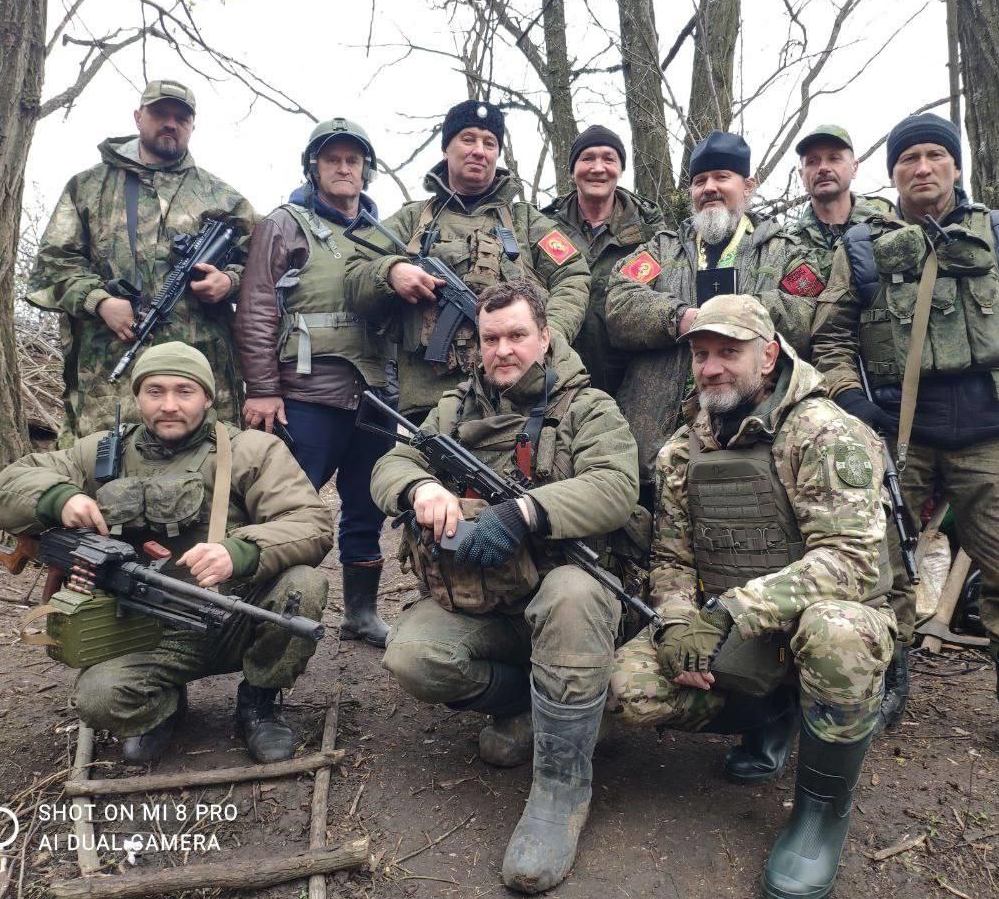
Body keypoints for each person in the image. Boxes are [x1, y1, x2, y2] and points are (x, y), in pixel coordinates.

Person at [607, 293, 894, 899]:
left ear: (767, 357)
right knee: (633, 686)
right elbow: (672, 559)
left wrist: (733, 611)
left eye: (728, 353)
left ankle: (820, 813)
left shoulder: (821, 432)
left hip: (816, 616)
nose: (711, 367)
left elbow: (852, 560)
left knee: (837, 635)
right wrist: (679, 624)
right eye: (701, 354)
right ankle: (772, 716)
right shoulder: (683, 450)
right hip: (734, 628)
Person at [810, 112, 999, 774]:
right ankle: (890, 676)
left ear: (955, 165)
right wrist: (850, 402)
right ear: (893, 172)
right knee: (881, 569)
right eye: (908, 160)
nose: (921, 168)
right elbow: (831, 338)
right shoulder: (863, 247)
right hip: (901, 441)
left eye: (934, 156)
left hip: (994, 438)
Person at [370, 280, 638, 893]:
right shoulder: (453, 408)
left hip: (566, 599)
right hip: (487, 600)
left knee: (573, 595)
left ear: (545, 336)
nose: (503, 349)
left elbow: (617, 487)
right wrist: (420, 488)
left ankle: (560, 787)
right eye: (491, 338)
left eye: (517, 335)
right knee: (413, 657)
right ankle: (529, 707)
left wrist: (523, 513)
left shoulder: (587, 406)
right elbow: (393, 462)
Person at [0, 342, 332, 765]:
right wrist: (58, 498)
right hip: (140, 628)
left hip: (232, 613)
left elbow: (311, 522)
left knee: (303, 586)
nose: (169, 405)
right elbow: (12, 481)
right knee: (98, 700)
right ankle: (163, 705)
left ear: (208, 397)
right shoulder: (101, 451)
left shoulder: (250, 451)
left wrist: (240, 551)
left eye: (184, 392)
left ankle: (260, 700)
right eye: (155, 391)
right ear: (137, 397)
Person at [234, 118, 393, 648]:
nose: (344, 167)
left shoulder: (385, 235)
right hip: (305, 397)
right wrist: (261, 387)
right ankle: (260, 611)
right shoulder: (283, 225)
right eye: (333, 159)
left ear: (366, 169)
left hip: (373, 398)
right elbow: (256, 308)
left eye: (354, 159)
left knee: (365, 508)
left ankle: (362, 613)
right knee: (287, 510)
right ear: (314, 167)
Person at [27, 80, 255, 443]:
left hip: (201, 376)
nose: (170, 123)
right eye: (160, 113)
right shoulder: (87, 188)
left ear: (192, 126)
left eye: (181, 117)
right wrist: (99, 301)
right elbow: (52, 266)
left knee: (207, 474)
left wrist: (229, 282)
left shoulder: (225, 199)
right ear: (138, 117)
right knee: (101, 471)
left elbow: (261, 272)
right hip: (109, 377)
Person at [344, 99, 590, 421]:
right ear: (447, 148)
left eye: (490, 143)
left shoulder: (526, 222)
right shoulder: (411, 220)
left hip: (514, 399)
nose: (479, 150)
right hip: (430, 404)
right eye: (468, 139)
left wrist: (545, 335)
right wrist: (390, 272)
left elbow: (573, 275)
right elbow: (353, 274)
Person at [604, 130, 817, 497]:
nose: (710, 188)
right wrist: (681, 317)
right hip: (651, 447)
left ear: (748, 186)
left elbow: (803, 313)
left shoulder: (785, 251)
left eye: (722, 177)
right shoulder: (661, 249)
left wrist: (729, 318)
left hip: (752, 446)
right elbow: (619, 301)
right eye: (700, 181)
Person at [541, 125, 664, 394]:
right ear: (572, 170)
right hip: (555, 378)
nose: (598, 168)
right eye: (587, 158)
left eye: (609, 159)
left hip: (630, 382)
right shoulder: (543, 229)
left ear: (620, 169)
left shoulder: (652, 234)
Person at [786, 124, 894, 279]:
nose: (823, 168)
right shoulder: (785, 244)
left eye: (834, 158)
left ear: (854, 168)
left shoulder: (886, 225)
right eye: (812, 161)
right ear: (802, 174)